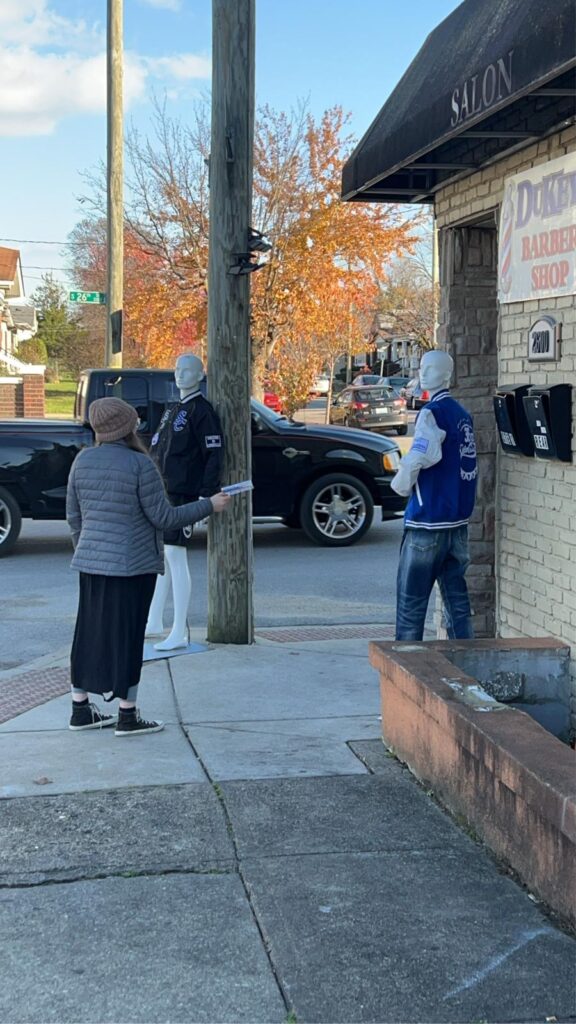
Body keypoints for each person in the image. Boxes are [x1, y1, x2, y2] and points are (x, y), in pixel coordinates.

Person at [66, 397, 230, 736]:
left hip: (91, 564)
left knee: (88, 633)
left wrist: (88, 548)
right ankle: (127, 716)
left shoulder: (82, 461)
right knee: (127, 638)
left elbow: (74, 517)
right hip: (132, 567)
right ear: (129, 428)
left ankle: (80, 709)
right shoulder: (141, 465)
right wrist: (208, 505)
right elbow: (164, 517)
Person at [391, 349, 477, 642]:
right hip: (457, 524)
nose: (422, 373)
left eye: (430, 368)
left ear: (446, 375)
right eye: (422, 367)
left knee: (411, 608)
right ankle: (466, 669)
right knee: (458, 606)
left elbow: (420, 456)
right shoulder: (463, 416)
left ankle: (406, 676)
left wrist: (400, 485)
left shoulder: (432, 413)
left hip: (427, 525)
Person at [146, 353, 223, 650]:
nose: (180, 374)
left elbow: (213, 454)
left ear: (200, 375)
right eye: (177, 368)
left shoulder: (202, 412)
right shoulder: (173, 409)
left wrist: (206, 494)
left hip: (184, 493)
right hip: (163, 491)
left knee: (176, 556)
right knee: (164, 556)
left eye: (188, 370)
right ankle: (155, 620)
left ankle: (180, 629)